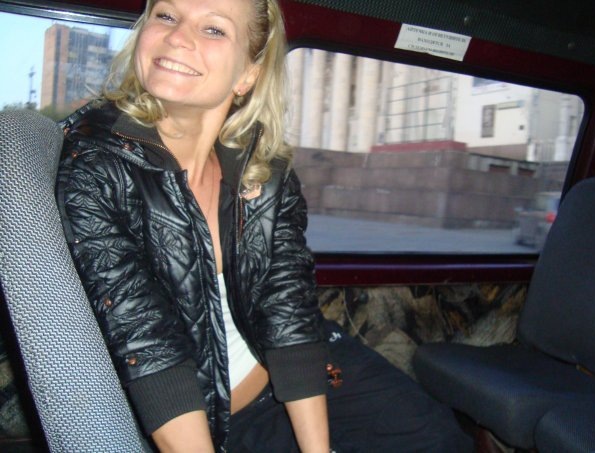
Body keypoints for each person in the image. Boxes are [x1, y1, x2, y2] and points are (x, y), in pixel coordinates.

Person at [56, 0, 472, 451]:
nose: (177, 37)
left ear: (247, 75)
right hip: (213, 416)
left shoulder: (263, 170)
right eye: (167, 16)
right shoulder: (95, 166)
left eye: (213, 29)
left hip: (302, 366)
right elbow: (147, 344)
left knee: (437, 439)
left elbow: (287, 306)